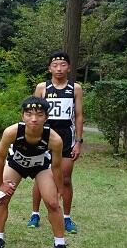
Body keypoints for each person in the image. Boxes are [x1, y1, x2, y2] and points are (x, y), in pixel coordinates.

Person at [0, 97, 73, 248]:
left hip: (41, 167)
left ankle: (59, 245)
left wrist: (60, 189)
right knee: (2, 198)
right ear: (22, 116)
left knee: (53, 203)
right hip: (16, 164)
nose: (34, 119)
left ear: (46, 117)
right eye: (29, 114)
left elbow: (56, 167)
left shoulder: (54, 139)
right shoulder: (11, 132)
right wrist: (0, 184)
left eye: (39, 115)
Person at [27, 52, 84, 233]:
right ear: (49, 68)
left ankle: (66, 217)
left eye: (63, 65)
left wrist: (78, 141)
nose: (59, 68)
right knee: (39, 176)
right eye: (55, 65)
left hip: (66, 136)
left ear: (69, 67)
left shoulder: (75, 88)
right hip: (44, 135)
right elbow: (33, 114)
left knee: (65, 179)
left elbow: (79, 116)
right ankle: (35, 214)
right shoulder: (42, 87)